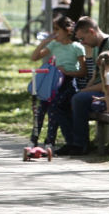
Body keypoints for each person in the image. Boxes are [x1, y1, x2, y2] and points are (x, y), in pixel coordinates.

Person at [55, 16, 109, 156]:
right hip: (103, 91)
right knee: (61, 102)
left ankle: (80, 145)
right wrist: (81, 90)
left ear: (91, 31)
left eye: (83, 38)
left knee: (78, 99)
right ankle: (71, 142)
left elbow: (107, 84)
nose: (82, 43)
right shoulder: (97, 47)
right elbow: (94, 77)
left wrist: (82, 92)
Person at [29, 15, 86, 154]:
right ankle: (33, 140)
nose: (54, 32)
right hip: (54, 82)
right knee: (41, 107)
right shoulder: (54, 45)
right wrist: (44, 43)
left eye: (57, 29)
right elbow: (34, 57)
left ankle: (50, 142)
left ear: (68, 30)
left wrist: (67, 72)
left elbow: (83, 72)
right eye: (53, 29)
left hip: (68, 83)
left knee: (53, 107)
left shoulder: (77, 47)